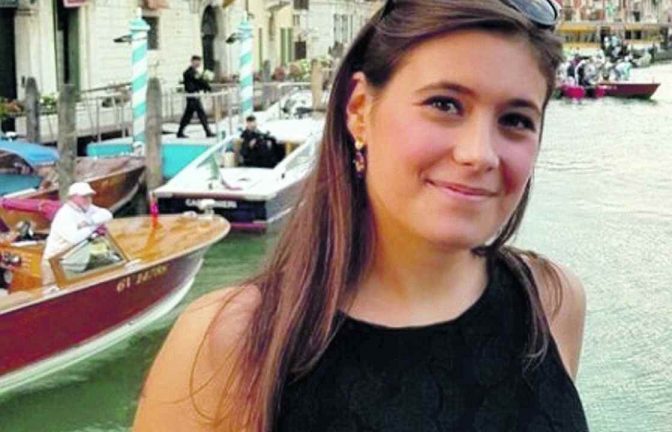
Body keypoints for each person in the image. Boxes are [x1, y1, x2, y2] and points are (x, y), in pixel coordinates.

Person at [134, 1, 588, 431]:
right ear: (359, 111)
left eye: (516, 120)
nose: (479, 154)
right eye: (444, 104)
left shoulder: (551, 303)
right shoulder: (226, 345)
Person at [41, 182, 113, 286]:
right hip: (57, 263)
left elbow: (107, 214)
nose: (88, 199)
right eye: (84, 196)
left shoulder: (87, 208)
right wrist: (93, 226)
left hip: (74, 261)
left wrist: (89, 222)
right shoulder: (64, 215)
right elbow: (74, 238)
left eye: (90, 196)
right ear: (73, 198)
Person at [177, 55, 215, 139]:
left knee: (188, 115)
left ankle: (180, 132)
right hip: (192, 95)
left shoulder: (195, 72)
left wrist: (205, 87)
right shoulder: (189, 72)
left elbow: (199, 82)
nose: (198, 64)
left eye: (199, 62)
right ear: (193, 61)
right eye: (197, 62)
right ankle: (208, 132)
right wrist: (207, 87)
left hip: (194, 95)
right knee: (201, 114)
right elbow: (199, 81)